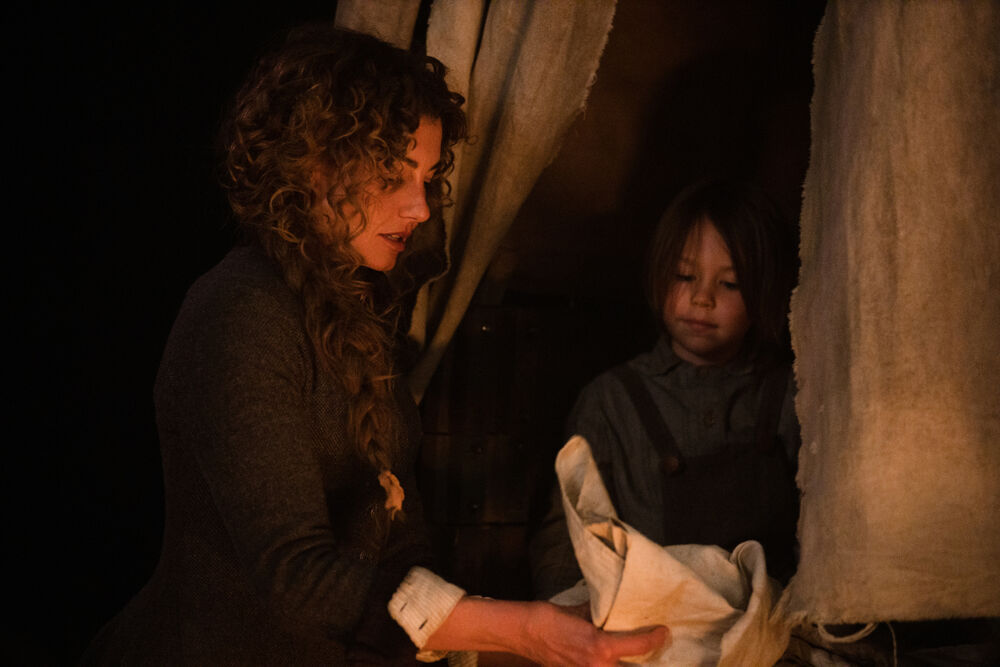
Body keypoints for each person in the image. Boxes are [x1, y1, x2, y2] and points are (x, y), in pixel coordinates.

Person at [82, 24, 668, 666]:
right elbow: (296, 575)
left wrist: (501, 639)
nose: (420, 208)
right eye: (394, 175)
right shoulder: (241, 314)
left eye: (427, 177)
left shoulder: (356, 311)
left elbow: (401, 548)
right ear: (311, 166)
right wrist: (519, 632)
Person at [530, 179, 801, 600]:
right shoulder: (611, 401)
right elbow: (569, 536)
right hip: (650, 618)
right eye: (684, 275)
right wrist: (573, 616)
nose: (702, 298)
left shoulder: (790, 394)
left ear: (765, 290)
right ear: (658, 273)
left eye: (730, 283)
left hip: (769, 616)